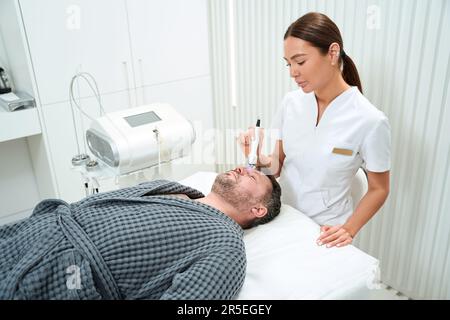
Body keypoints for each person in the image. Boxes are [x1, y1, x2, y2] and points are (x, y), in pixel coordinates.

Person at [0, 167, 281, 300]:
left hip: (64, 276)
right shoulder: (171, 187)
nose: (243, 168)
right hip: (31, 232)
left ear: (258, 210)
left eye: (252, 176)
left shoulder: (226, 247)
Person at [239, 12, 390, 249]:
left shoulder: (370, 120)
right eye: (288, 64)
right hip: (282, 216)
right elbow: (277, 167)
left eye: (300, 62)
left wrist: (349, 229)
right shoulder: (291, 103)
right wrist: (257, 157)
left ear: (332, 53)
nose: (293, 72)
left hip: (324, 230)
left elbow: (379, 189)